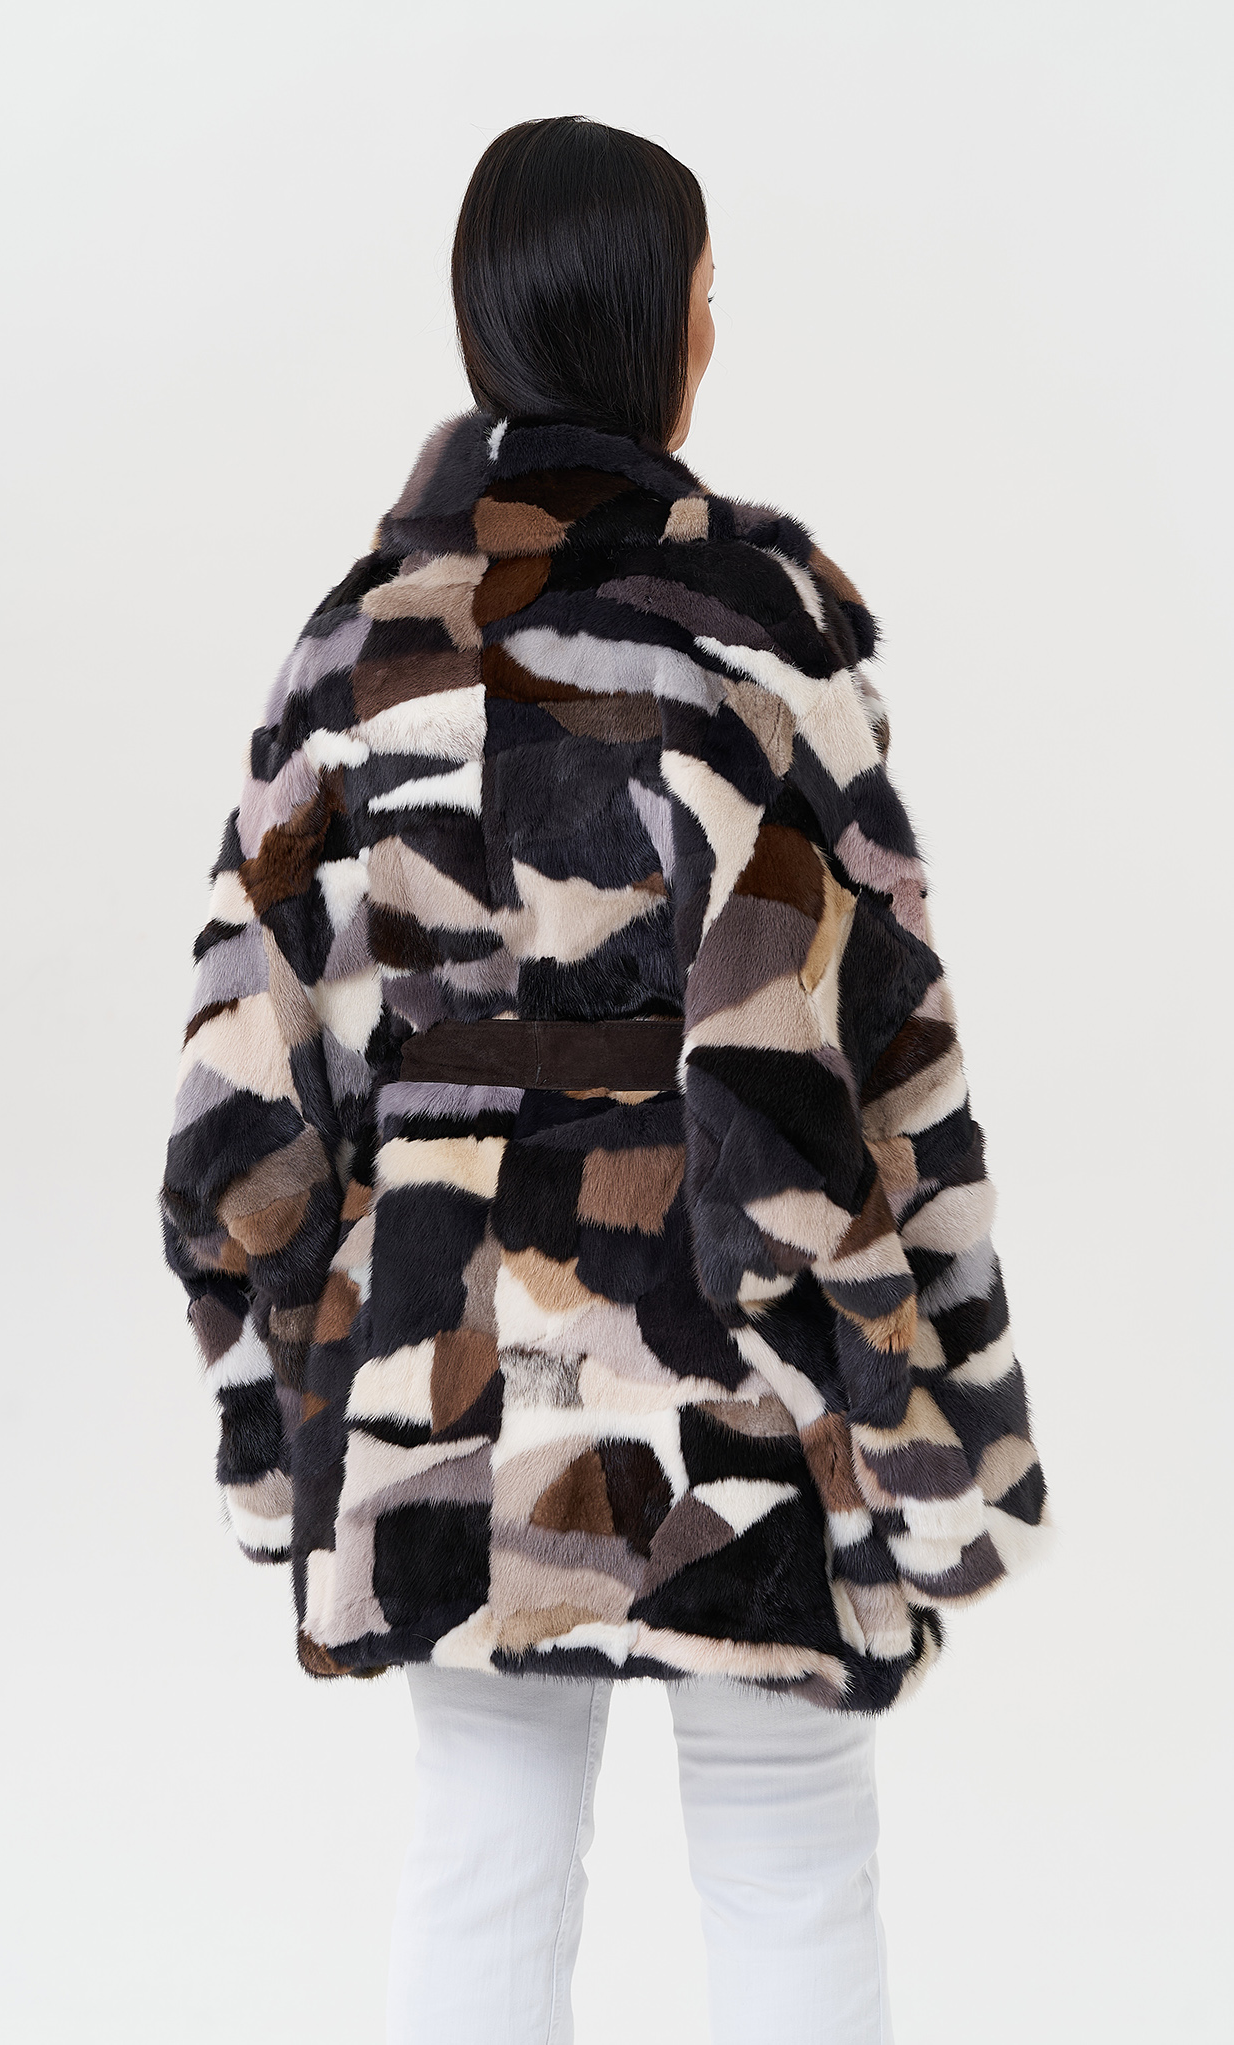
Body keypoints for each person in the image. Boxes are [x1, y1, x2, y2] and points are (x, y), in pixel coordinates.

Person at [161, 114, 1047, 2045]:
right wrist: (936, 1411)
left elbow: (241, 1103)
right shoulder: (754, 636)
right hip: (732, 1334)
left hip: (443, 1354)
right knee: (790, 1853)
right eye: (708, 293)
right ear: (655, 322)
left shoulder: (355, 649)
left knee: (484, 1849)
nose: (718, 330)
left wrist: (283, 1418)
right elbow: (876, 1054)